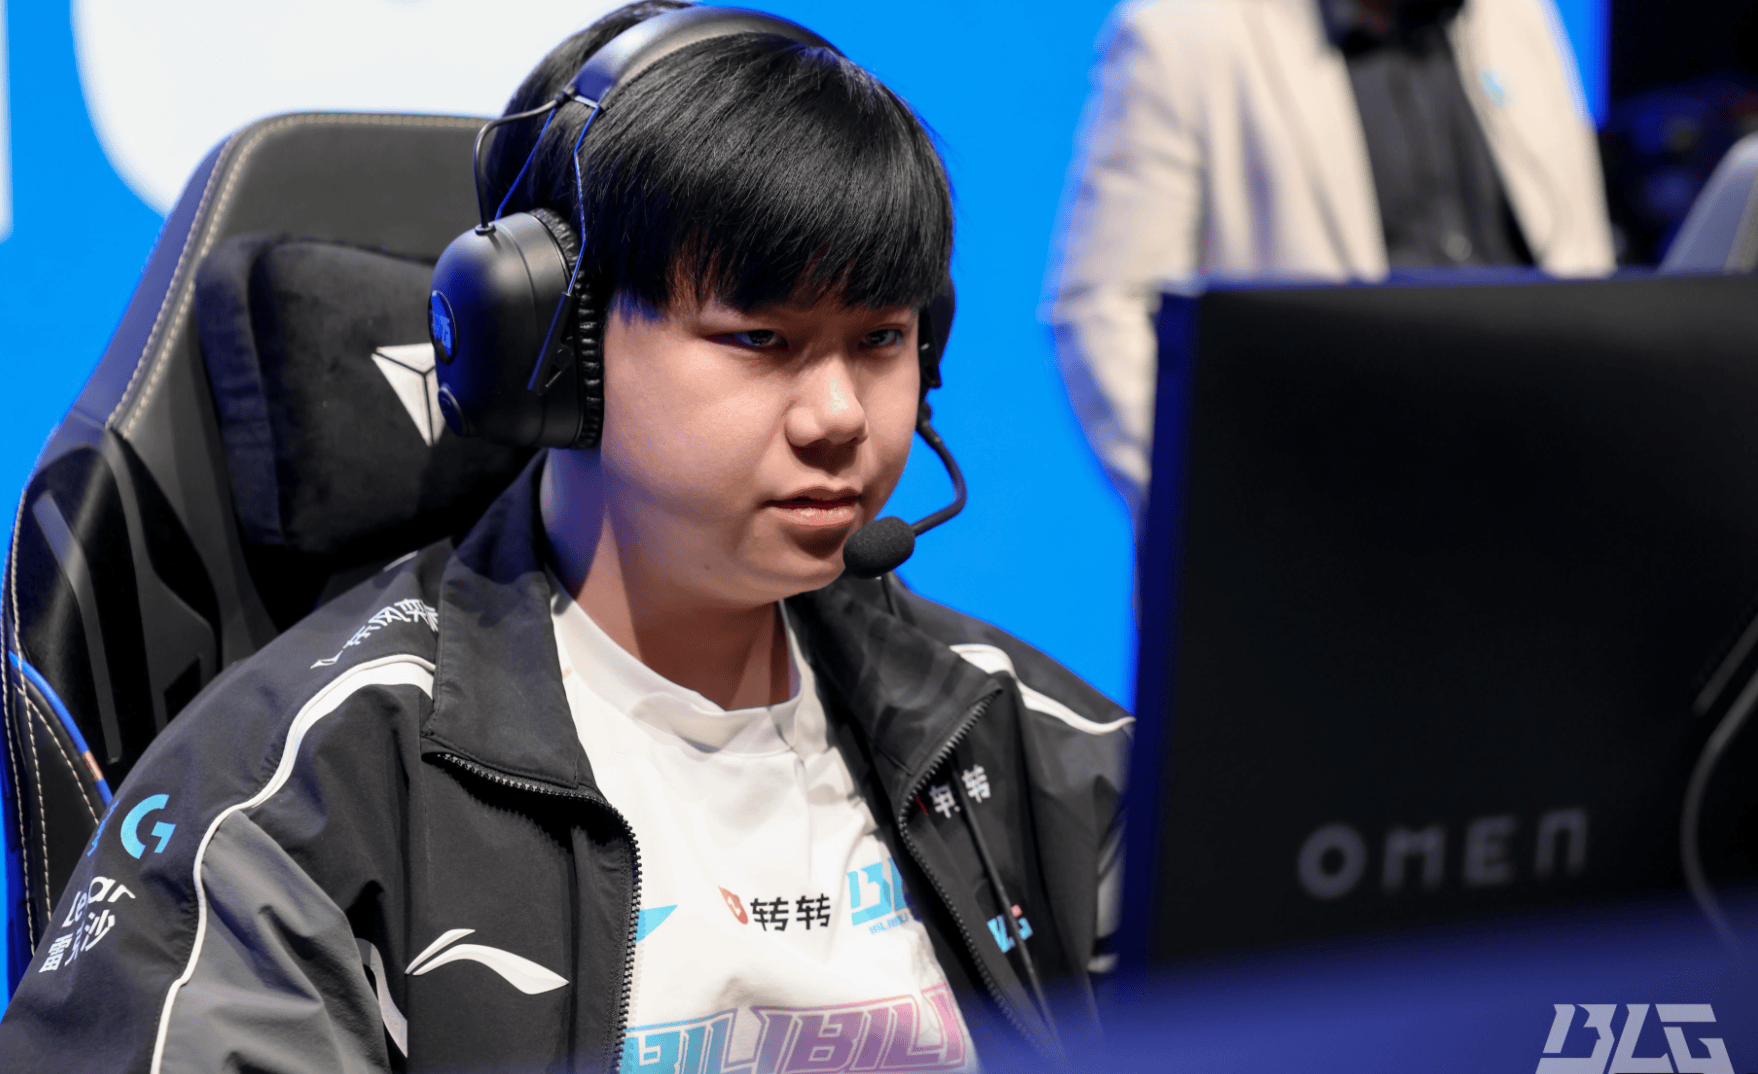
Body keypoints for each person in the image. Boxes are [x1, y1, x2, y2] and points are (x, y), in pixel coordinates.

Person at [0, 3, 1130, 1071]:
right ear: (551, 352)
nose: (839, 415)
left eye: (880, 338)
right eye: (761, 339)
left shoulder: (1032, 746)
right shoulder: (289, 804)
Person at [1048, 0, 1617, 522]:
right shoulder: (1183, 34)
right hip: (1322, 531)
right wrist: (1240, 514)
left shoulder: (1517, 16)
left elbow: (1583, 259)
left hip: (1542, 515)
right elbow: (1104, 310)